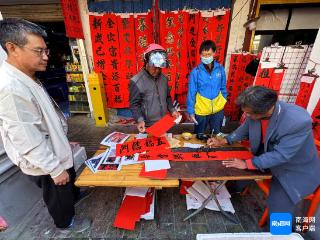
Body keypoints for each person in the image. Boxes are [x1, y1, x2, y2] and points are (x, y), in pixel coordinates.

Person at [0, 18, 91, 233]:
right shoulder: (11, 88)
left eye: (45, 51)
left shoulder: (26, 75)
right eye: (38, 51)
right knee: (57, 190)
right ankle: (66, 223)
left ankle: (73, 196)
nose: (45, 57)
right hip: (45, 160)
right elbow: (27, 138)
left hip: (54, 148)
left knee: (68, 181)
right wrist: (54, 169)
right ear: (12, 48)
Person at [207, 86, 320, 218]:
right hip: (267, 154)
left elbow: (281, 155)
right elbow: (244, 128)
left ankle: (281, 234)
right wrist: (225, 140)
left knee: (278, 206)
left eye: (248, 114)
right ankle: (235, 189)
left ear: (265, 110)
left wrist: (247, 163)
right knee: (233, 162)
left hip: (293, 170)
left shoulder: (298, 121)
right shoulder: (255, 111)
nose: (246, 116)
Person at [130, 43, 180, 133]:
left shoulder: (164, 79)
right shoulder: (136, 81)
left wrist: (172, 110)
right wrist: (139, 120)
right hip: (147, 125)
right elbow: (134, 105)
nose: (157, 70)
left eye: (159, 67)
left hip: (164, 122)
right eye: (154, 67)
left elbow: (167, 97)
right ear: (146, 63)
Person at [187, 40, 227, 135]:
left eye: (209, 54)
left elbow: (223, 87)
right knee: (199, 135)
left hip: (218, 109)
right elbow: (191, 93)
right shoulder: (196, 72)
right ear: (200, 55)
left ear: (214, 53)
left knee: (217, 134)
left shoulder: (220, 69)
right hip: (201, 110)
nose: (206, 57)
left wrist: (223, 100)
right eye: (203, 55)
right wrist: (191, 111)